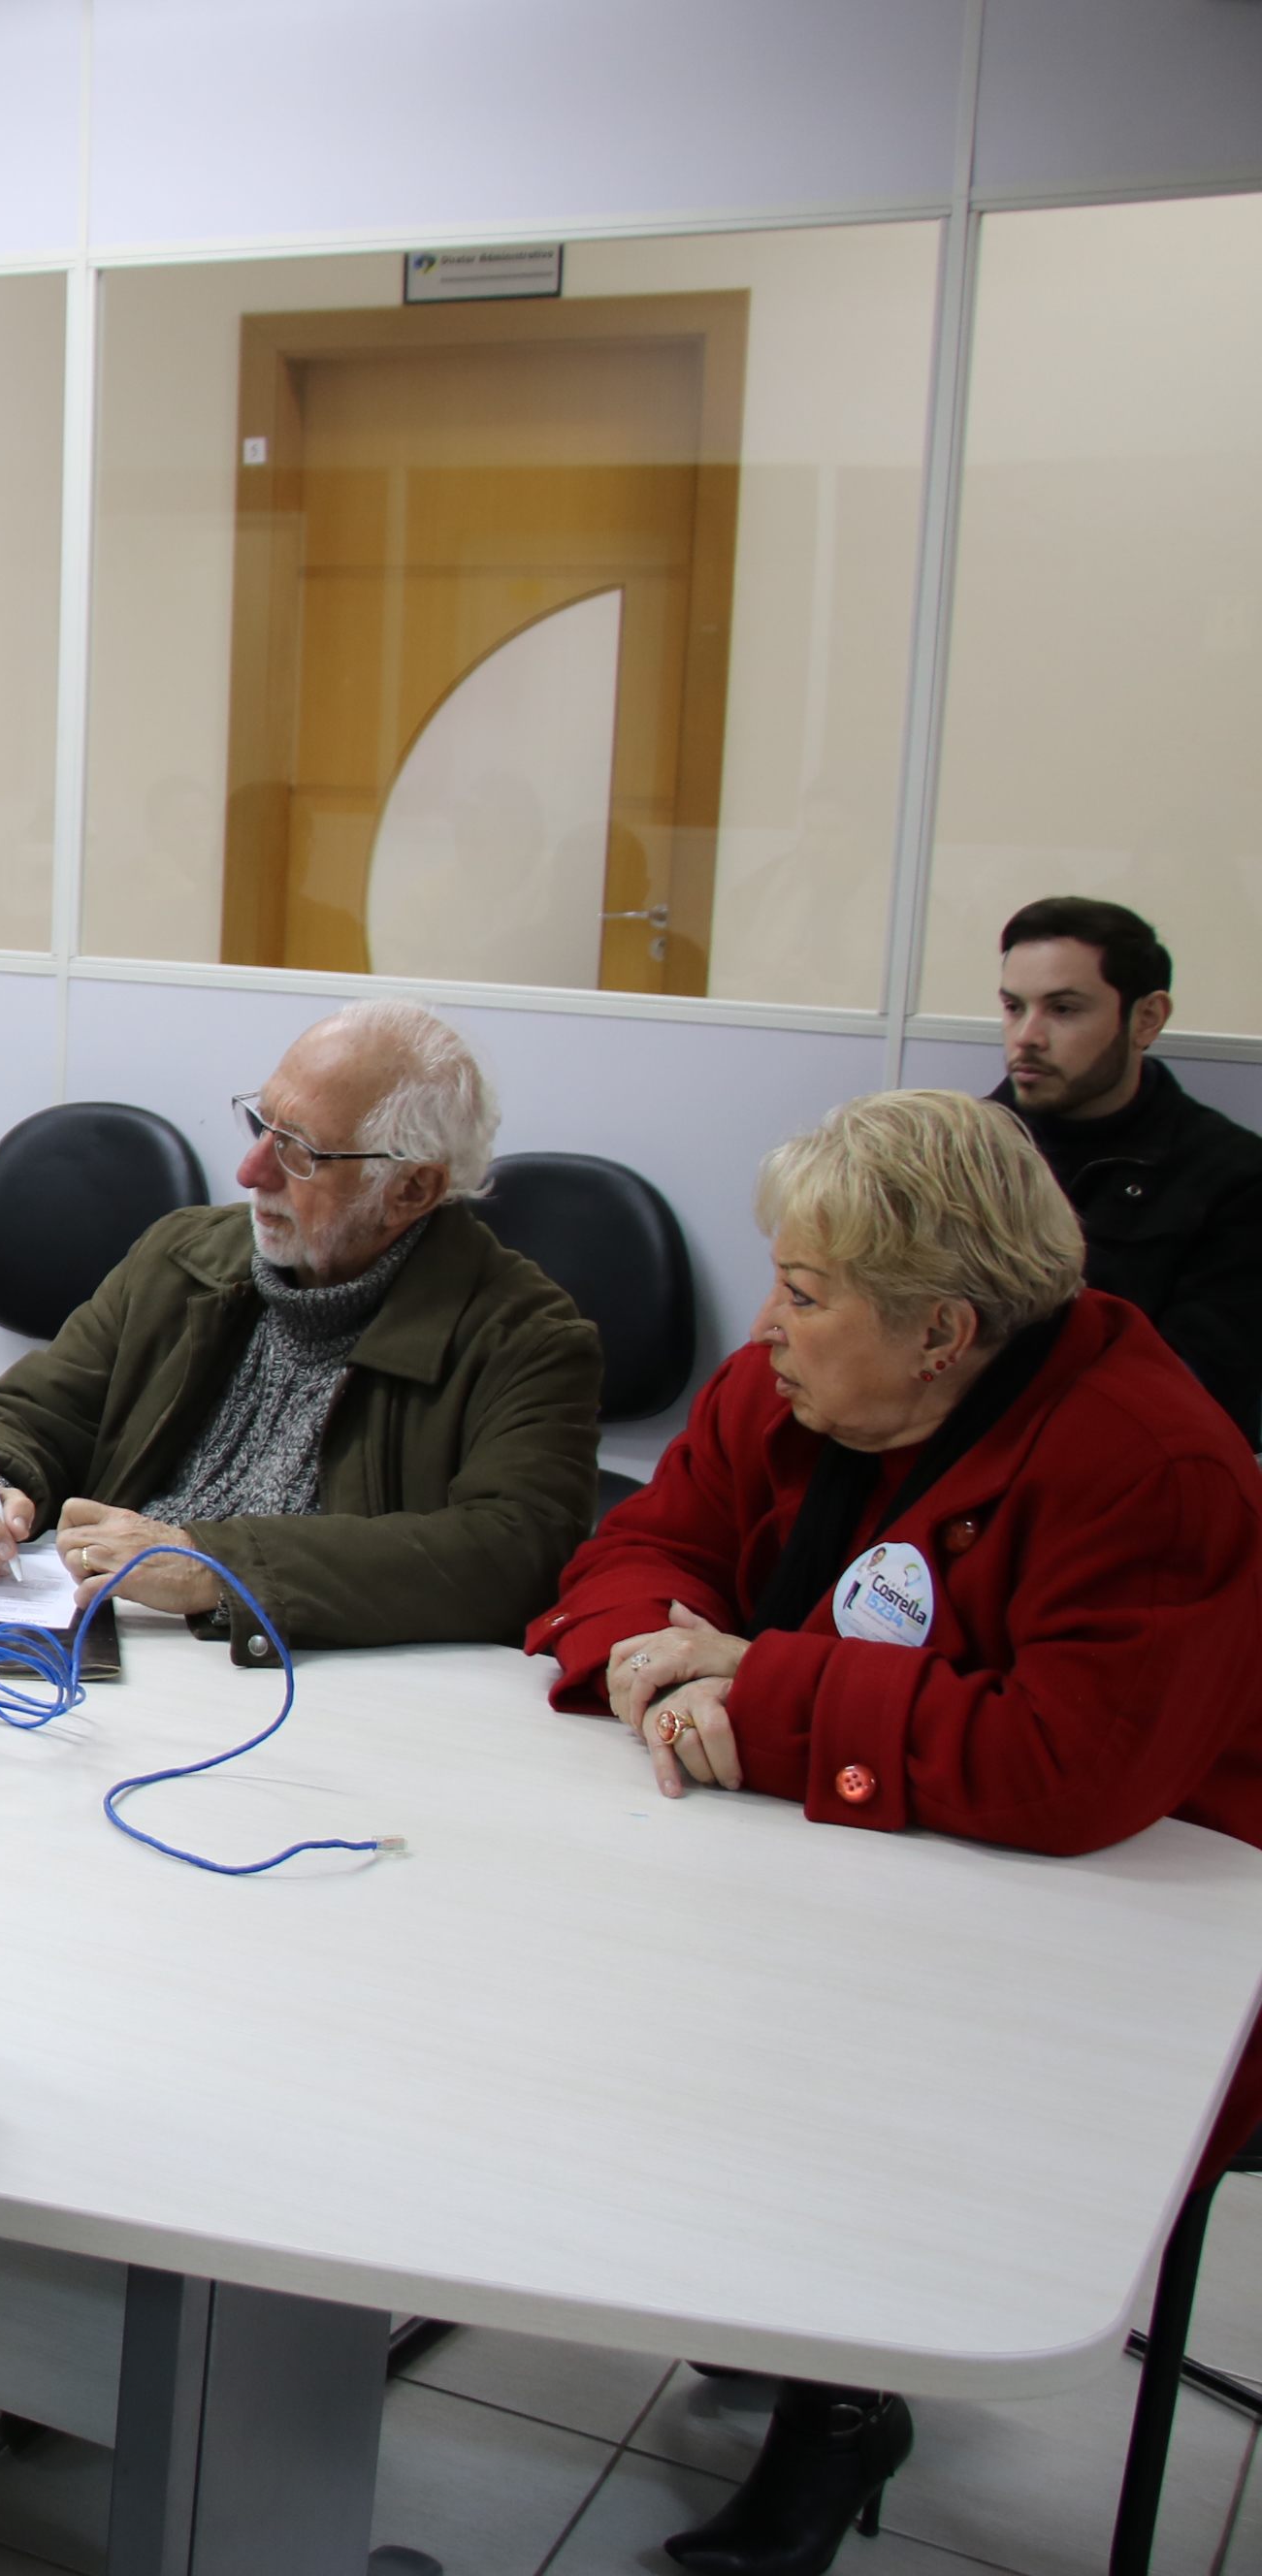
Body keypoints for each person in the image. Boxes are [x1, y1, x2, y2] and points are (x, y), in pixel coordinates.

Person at [528, 1088, 1262, 2574]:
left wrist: (761, 1682)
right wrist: (651, 1672)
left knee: (886, 2072)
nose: (770, 1325)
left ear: (945, 1331)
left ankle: (843, 2401)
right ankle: (771, 2293)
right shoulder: (782, 1389)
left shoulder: (1151, 1462)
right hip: (834, 1831)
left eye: (807, 1293)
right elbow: (640, 1551)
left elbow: (1071, 1767)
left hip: (1110, 1921)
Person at [0, 1000, 599, 1647]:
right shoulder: (185, 1258)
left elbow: (511, 1555)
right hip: (104, 1647)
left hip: (302, 1685)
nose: (251, 1172)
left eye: (298, 1151)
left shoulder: (525, 1339)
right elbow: (33, 1410)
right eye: (262, 1123)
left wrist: (216, 1564)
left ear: (411, 1189)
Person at [987, 895, 1262, 1441]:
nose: (1027, 1037)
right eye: (1015, 1007)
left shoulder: (1234, 1179)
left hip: (1112, 1474)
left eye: (1063, 1009)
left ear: (1146, 1019)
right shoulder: (953, 1152)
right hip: (946, 1461)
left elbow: (1194, 1387)